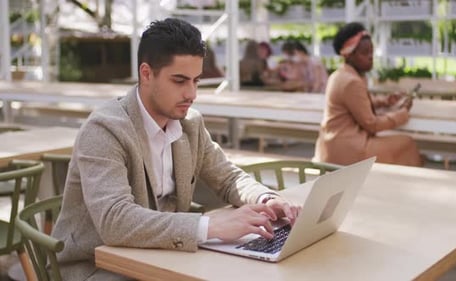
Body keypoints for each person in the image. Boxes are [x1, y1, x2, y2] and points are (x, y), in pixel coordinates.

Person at [52, 18, 300, 281]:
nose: (191, 93)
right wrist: (210, 226)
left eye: (195, 80)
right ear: (146, 74)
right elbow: (115, 221)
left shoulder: (190, 123)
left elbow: (229, 178)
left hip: (165, 255)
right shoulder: (105, 129)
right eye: (179, 81)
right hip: (98, 265)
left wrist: (267, 200)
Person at [313, 22, 422, 167]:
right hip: (348, 151)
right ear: (348, 55)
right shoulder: (351, 81)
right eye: (365, 53)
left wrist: (384, 102)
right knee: (407, 143)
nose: (370, 57)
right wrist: (402, 114)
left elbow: (355, 105)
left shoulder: (339, 75)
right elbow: (372, 125)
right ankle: (402, 187)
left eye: (371, 52)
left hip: (332, 146)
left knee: (398, 144)